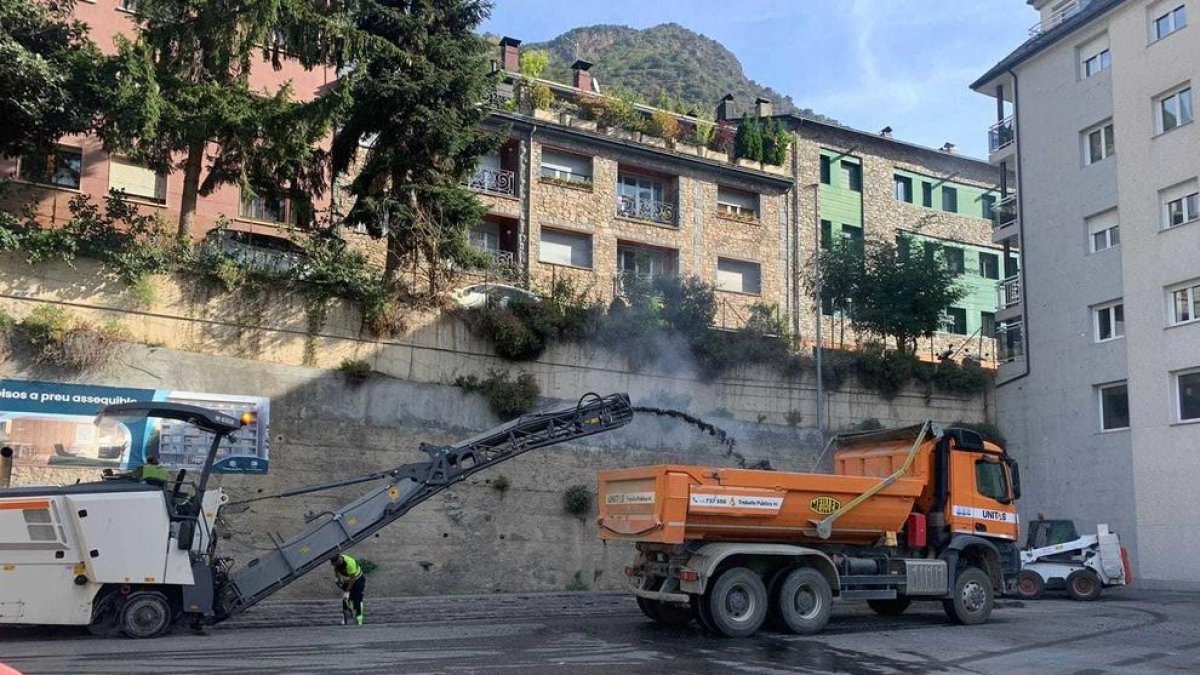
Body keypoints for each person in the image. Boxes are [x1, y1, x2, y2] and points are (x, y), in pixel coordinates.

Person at [330, 553, 365, 625]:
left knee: (358, 599)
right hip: (348, 579)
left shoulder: (349, 563)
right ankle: (346, 617)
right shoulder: (336, 563)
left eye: (337, 562)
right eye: (334, 563)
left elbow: (353, 579)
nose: (336, 564)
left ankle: (359, 618)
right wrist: (337, 579)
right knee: (346, 599)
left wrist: (347, 590)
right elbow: (336, 570)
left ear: (340, 557)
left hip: (358, 579)